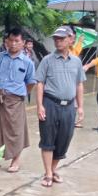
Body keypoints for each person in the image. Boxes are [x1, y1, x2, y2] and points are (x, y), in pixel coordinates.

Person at [34, 26, 86, 187]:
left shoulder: (76, 61)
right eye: (56, 39)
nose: (58, 41)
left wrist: (80, 107)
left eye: (61, 39)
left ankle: (52, 169)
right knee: (48, 139)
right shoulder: (47, 60)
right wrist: (39, 106)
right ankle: (48, 174)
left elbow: (79, 84)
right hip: (50, 104)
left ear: (70, 39)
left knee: (64, 139)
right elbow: (40, 83)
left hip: (69, 106)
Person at [0, 27, 36, 173]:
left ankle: (15, 160)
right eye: (11, 40)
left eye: (17, 41)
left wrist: (20, 94)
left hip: (15, 101)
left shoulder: (27, 62)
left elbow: (31, 82)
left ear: (23, 42)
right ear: (6, 41)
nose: (13, 44)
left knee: (16, 131)